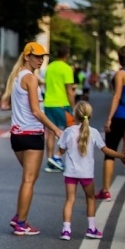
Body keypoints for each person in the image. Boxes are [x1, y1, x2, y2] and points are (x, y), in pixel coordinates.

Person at [1, 42, 62, 236]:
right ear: (27, 56)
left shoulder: (16, 76)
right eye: (36, 56)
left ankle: (19, 216)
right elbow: (36, 111)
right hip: (32, 135)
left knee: (30, 177)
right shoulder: (31, 79)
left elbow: (8, 104)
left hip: (17, 136)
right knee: (29, 179)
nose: (40, 60)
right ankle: (21, 223)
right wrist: (55, 129)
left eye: (42, 57)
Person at [58, 101, 125, 241]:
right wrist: (120, 156)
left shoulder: (68, 131)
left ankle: (66, 230)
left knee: (70, 200)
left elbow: (61, 150)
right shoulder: (93, 132)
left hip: (71, 173)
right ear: (90, 115)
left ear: (75, 115)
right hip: (86, 174)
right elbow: (106, 150)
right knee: (90, 199)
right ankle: (91, 228)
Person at [95, 46, 125, 201]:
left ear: (119, 58)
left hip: (120, 116)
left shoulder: (120, 74)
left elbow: (117, 96)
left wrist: (109, 118)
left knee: (110, 151)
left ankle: (106, 190)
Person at [43, 45, 76, 173]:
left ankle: (50, 161)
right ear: (67, 55)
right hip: (62, 104)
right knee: (72, 131)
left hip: (48, 103)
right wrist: (74, 108)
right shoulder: (66, 68)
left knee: (51, 133)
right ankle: (57, 157)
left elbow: (46, 85)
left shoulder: (49, 67)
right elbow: (69, 90)